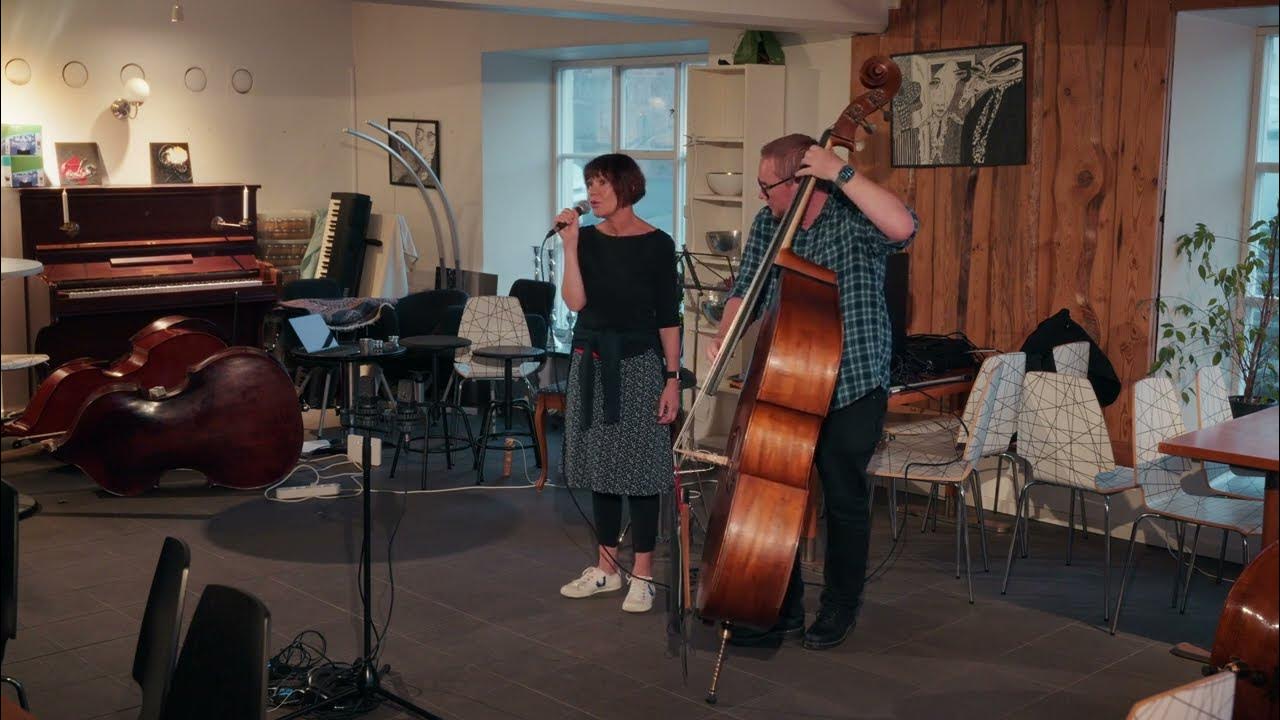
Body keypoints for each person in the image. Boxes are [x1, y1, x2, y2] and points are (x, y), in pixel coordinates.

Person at [707, 133, 917, 650]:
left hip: (853, 382)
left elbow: (903, 227)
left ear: (800, 179)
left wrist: (840, 171)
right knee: (776, 493)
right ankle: (779, 606)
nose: (761, 196)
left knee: (843, 500)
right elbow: (747, 290)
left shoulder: (853, 215)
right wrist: (725, 334)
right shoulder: (769, 224)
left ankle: (841, 606)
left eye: (766, 186)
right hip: (787, 382)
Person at [554, 153, 682, 614]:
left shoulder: (657, 243)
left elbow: (668, 316)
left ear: (626, 187)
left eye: (602, 183)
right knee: (601, 466)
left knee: (642, 469)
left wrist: (672, 379)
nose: (592, 192)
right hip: (590, 361)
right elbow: (575, 303)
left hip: (640, 363)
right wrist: (570, 247)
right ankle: (606, 567)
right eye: (589, 183)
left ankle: (643, 574)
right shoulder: (585, 239)